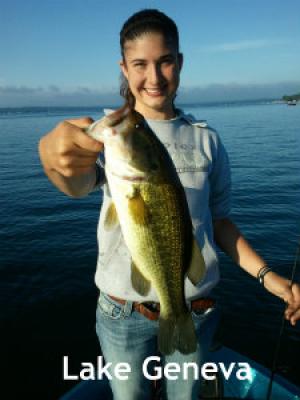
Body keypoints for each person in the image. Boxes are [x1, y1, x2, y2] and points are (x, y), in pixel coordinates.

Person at [38, 9, 300, 400]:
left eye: (165, 62)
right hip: (121, 312)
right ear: (124, 68)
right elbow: (75, 183)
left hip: (194, 307)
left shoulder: (207, 140)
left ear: (179, 63)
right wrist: (50, 159)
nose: (154, 77)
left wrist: (270, 278)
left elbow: (220, 222)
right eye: (140, 64)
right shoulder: (111, 139)